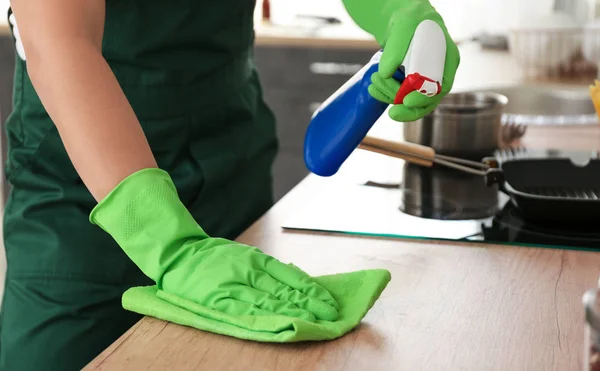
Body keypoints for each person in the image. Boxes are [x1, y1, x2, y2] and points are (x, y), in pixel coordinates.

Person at [0, 0, 459, 369]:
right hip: (81, 205)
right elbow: (60, 41)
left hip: (226, 169)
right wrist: (168, 240)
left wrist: (396, 9)